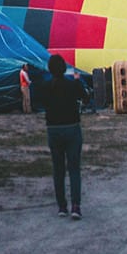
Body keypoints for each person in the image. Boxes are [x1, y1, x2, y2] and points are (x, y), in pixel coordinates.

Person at [34, 54, 85, 220]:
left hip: (53, 130)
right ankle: (76, 206)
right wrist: (77, 81)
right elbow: (85, 97)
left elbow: (40, 101)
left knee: (58, 170)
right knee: (74, 169)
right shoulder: (72, 85)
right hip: (72, 129)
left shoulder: (46, 86)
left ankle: (62, 206)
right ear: (64, 68)